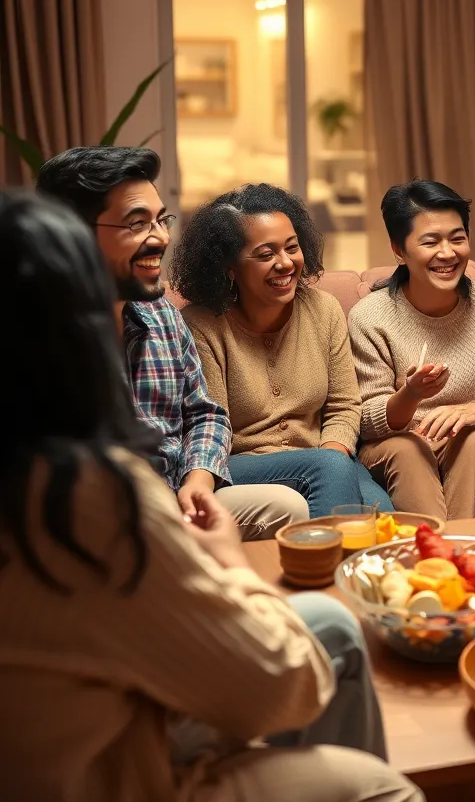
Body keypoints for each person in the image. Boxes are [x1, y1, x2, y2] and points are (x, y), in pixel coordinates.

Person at [0, 190, 421, 802]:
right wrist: (229, 560)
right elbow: (276, 688)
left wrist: (325, 448)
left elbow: (215, 418)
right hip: (111, 767)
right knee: (383, 787)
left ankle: (370, 593)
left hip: (89, 717)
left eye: (160, 221)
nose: (156, 239)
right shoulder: (97, 496)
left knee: (346, 554)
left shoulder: (312, 313)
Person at [36, 147, 308, 539]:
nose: (161, 237)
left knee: (287, 508)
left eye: (161, 220)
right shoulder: (33, 335)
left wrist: (198, 480)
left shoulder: (160, 312)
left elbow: (205, 414)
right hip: (91, 523)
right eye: (137, 223)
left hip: (176, 499)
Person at [172, 184, 392, 518]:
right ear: (229, 267)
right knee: (332, 476)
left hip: (321, 459)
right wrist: (327, 467)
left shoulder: (324, 309)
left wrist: (332, 455)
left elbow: (344, 406)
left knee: (382, 513)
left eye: (292, 247)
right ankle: (321, 570)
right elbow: (210, 424)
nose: (285, 263)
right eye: (265, 255)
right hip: (239, 468)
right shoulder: (202, 325)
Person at [350, 180, 475, 520]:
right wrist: (410, 394)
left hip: (474, 440)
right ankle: (445, 558)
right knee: (409, 448)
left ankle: (458, 555)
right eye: (430, 241)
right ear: (399, 250)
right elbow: (364, 420)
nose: (448, 253)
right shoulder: (370, 316)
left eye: (457, 238)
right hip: (398, 445)